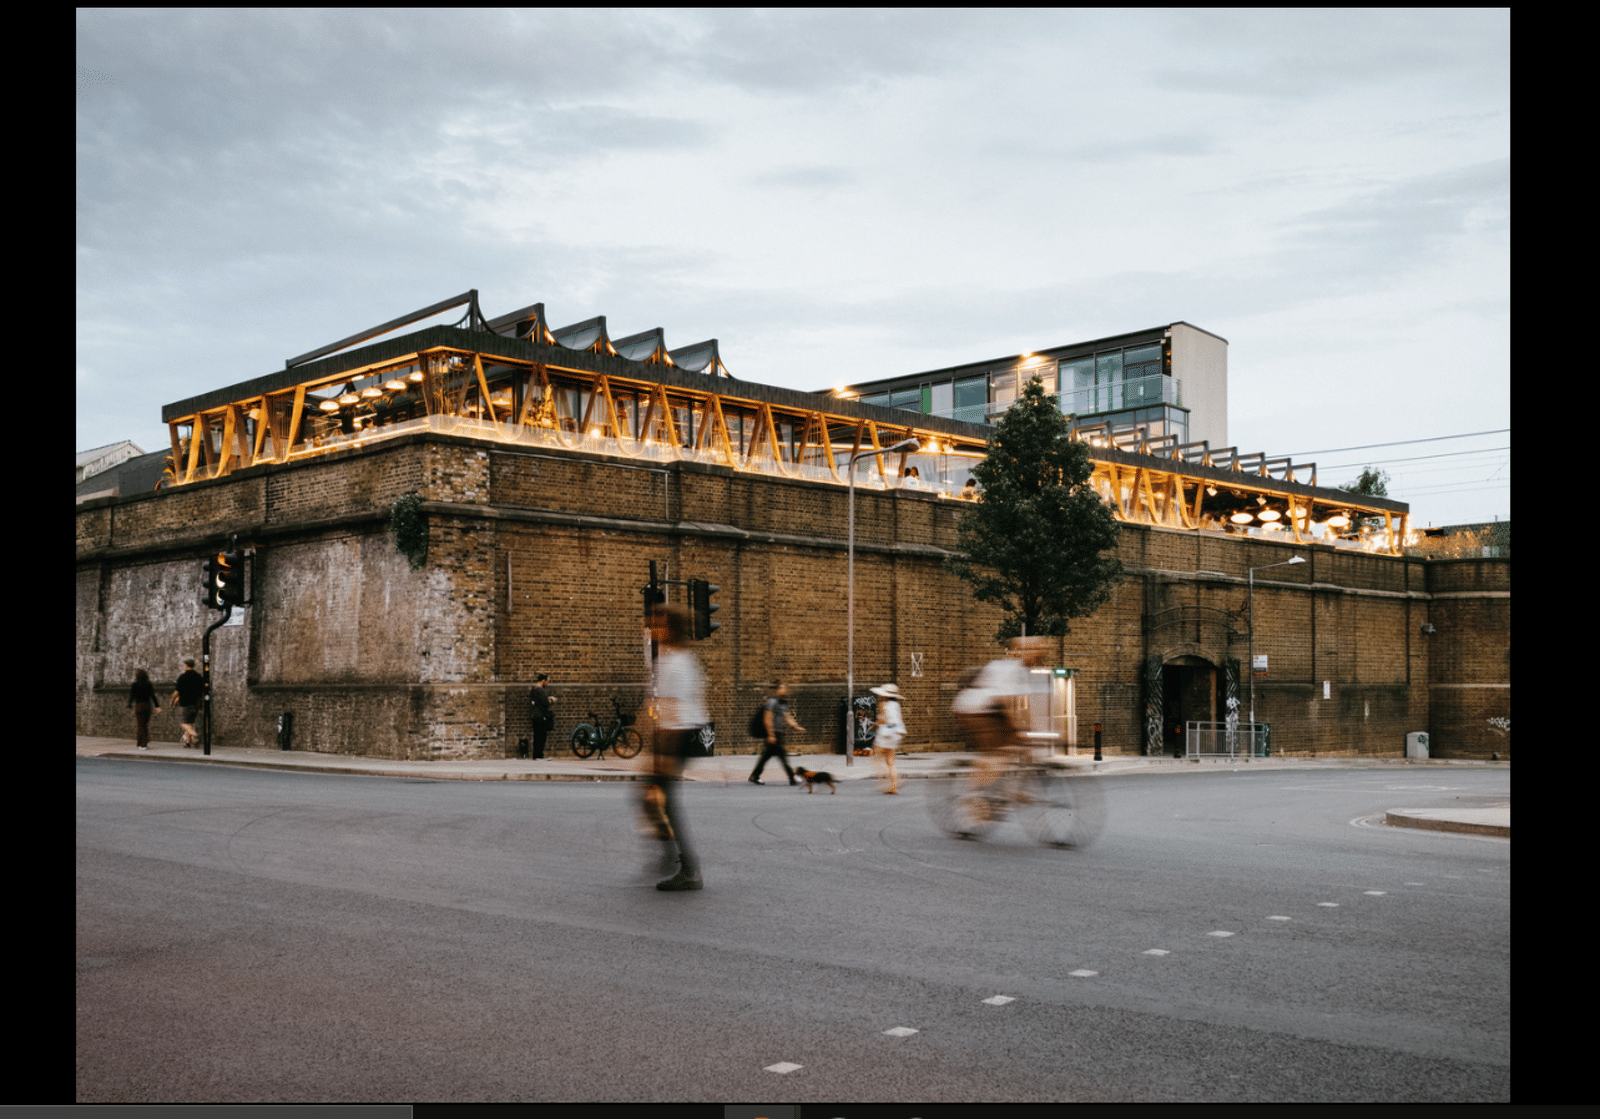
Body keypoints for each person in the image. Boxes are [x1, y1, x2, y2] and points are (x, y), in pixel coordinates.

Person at [645, 603, 709, 891]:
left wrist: (665, 755)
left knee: (665, 800)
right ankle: (672, 856)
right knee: (650, 797)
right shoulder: (668, 659)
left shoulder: (678, 663)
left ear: (671, 629)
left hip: (679, 735)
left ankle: (689, 869)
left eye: (657, 625)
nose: (651, 630)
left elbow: (677, 710)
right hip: (671, 733)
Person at [952, 636, 1048, 789]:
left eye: (1038, 650)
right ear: (1019, 651)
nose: (1037, 653)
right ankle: (972, 794)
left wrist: (1029, 728)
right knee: (998, 754)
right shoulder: (1012, 668)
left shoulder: (1015, 668)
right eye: (1032, 649)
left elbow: (1025, 705)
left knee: (1008, 748)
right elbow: (1005, 701)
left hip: (980, 707)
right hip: (978, 709)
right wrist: (1019, 729)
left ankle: (986, 791)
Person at [750, 682, 806, 785]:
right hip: (773, 733)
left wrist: (796, 726)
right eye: (782, 688)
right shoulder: (772, 702)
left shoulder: (783, 703)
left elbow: (788, 717)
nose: (784, 690)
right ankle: (792, 777)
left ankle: (755, 776)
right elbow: (767, 719)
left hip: (779, 733)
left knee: (767, 755)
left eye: (785, 688)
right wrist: (771, 735)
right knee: (782, 755)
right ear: (777, 690)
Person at [870, 683, 906, 794]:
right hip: (897, 733)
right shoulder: (896, 705)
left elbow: (884, 720)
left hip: (886, 734)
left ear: (885, 695)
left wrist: (874, 724)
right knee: (890, 761)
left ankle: (890, 782)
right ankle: (894, 786)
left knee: (875, 757)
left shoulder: (883, 704)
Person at [171, 658, 204, 748]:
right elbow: (203, 690)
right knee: (191, 722)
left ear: (186, 666)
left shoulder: (183, 677)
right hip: (196, 703)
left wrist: (172, 701)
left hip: (186, 703)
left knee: (184, 723)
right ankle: (188, 742)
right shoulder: (199, 677)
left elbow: (176, 692)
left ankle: (194, 734)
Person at [127, 669, 161, 750]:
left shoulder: (135, 685)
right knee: (144, 724)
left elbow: (132, 696)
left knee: (140, 725)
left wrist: (129, 704)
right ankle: (143, 742)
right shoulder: (149, 684)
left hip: (139, 706)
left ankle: (142, 743)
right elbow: (153, 696)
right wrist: (157, 706)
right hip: (147, 706)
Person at [527, 673, 555, 759]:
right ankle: (539, 755)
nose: (547, 683)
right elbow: (545, 703)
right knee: (541, 736)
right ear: (543, 681)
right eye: (547, 681)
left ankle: (536, 755)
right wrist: (551, 700)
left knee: (537, 736)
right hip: (540, 716)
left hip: (535, 716)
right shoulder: (540, 690)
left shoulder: (533, 689)